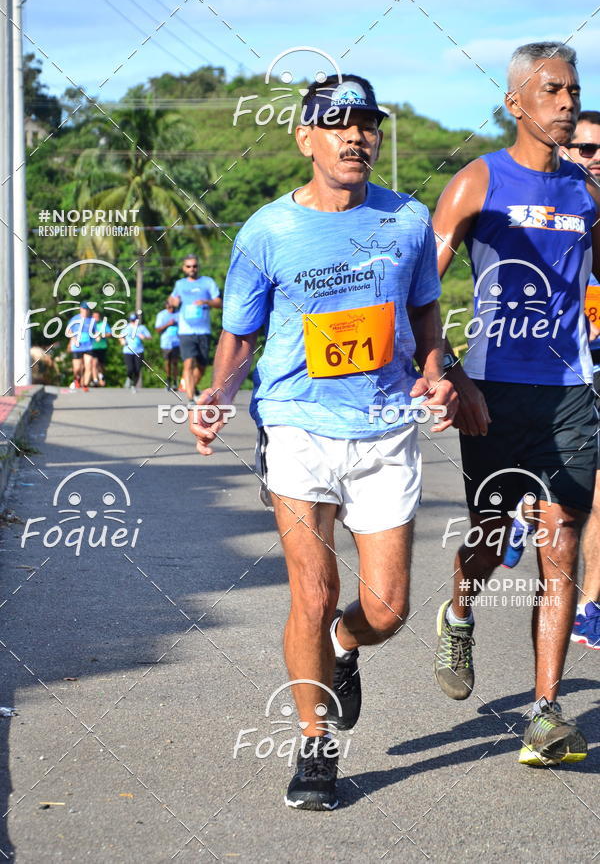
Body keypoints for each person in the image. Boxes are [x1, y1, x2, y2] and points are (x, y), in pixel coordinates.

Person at [189, 73, 457, 810]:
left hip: (383, 430)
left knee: (389, 610)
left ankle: (345, 646)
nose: (355, 136)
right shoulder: (267, 231)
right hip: (298, 425)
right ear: (306, 137)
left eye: (366, 124)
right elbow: (240, 336)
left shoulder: (407, 219)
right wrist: (217, 395)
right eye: (337, 124)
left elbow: (425, 318)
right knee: (313, 590)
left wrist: (436, 375)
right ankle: (314, 745)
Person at [433, 42, 600, 766]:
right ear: (517, 104)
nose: (567, 103)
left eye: (574, 90)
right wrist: (439, 367)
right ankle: (460, 608)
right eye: (553, 91)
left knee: (557, 543)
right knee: (490, 536)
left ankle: (544, 713)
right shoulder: (478, 181)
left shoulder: (588, 193)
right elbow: (419, 287)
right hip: (494, 389)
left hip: (570, 391)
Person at [561, 110, 600, 649]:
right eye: (583, 148)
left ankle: (591, 604)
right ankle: (523, 509)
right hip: (553, 372)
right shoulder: (544, 212)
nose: (594, 157)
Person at [170, 255, 222, 403]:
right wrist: (173, 302)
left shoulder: (207, 282)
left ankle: (192, 386)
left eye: (194, 266)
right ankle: (191, 398)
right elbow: (172, 300)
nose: (192, 269)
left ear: (198, 267)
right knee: (188, 362)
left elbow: (219, 302)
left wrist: (206, 301)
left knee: (202, 365)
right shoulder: (180, 284)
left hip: (203, 330)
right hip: (185, 330)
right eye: (188, 266)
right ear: (183, 268)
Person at [65, 301, 95, 391]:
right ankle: (77, 379)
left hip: (88, 346)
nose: (85, 311)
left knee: (89, 365)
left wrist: (97, 336)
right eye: (84, 309)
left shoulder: (91, 320)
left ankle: (85, 385)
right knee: (77, 368)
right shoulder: (74, 319)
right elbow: (68, 331)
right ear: (80, 309)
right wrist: (74, 339)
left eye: (87, 309)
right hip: (77, 346)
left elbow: (95, 331)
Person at [154, 298, 180, 391]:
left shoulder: (179, 314)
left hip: (177, 341)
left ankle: (175, 381)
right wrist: (168, 324)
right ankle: (168, 380)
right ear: (166, 306)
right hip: (166, 342)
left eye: (172, 307)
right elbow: (157, 329)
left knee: (175, 362)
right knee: (167, 362)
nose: (171, 309)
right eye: (169, 307)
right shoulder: (161, 315)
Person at [120, 312, 150, 391]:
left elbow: (149, 337)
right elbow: (120, 337)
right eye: (132, 320)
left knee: (137, 369)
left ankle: (134, 385)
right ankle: (129, 378)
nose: (133, 322)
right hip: (128, 351)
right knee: (130, 368)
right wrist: (122, 341)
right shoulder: (126, 328)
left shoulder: (142, 328)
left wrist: (144, 337)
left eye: (135, 320)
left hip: (139, 351)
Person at [90, 309, 111, 387]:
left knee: (101, 365)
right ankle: (95, 380)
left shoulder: (104, 324)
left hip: (102, 347)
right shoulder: (90, 325)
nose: (96, 318)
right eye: (94, 316)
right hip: (93, 347)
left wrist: (102, 335)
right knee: (94, 363)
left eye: (97, 316)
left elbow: (110, 333)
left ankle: (101, 377)